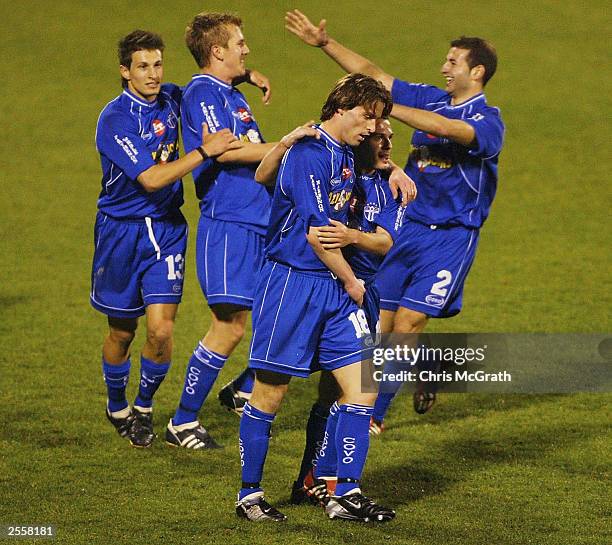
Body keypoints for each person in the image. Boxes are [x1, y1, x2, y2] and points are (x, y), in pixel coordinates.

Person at [286, 10, 505, 429]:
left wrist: (387, 108)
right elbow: (374, 74)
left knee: (406, 323)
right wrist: (324, 43)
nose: (444, 67)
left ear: (476, 72)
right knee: (380, 321)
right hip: (408, 227)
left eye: (453, 61)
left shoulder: (488, 122)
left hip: (451, 238)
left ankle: (375, 415)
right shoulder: (431, 96)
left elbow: (446, 128)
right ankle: (425, 365)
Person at [235, 73, 396, 523]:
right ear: (341, 108)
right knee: (270, 393)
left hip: (331, 288)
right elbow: (317, 235)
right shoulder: (309, 154)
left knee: (362, 386)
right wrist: (352, 283)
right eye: (367, 117)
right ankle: (249, 495)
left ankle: (344, 493)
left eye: (377, 120)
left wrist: (395, 166)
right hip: (292, 283)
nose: (371, 128)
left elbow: (378, 157)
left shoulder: (342, 153)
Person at [91, 30, 240, 448]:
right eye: (143, 66)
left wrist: (247, 74)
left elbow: (203, 83)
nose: (153, 74)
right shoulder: (115, 120)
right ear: (125, 71)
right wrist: (204, 152)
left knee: (160, 330)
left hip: (168, 232)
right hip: (120, 232)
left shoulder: (173, 98)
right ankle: (116, 404)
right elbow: (153, 178)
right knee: (122, 331)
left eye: (158, 64)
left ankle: (142, 409)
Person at [165, 13, 280, 450]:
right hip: (229, 224)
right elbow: (228, 152)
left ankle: (242, 389)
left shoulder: (227, 91)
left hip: (258, 220)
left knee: (280, 313)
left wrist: (247, 74)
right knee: (229, 326)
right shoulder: (203, 93)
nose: (246, 49)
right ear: (217, 51)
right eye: (240, 44)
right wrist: (292, 143)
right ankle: (183, 422)